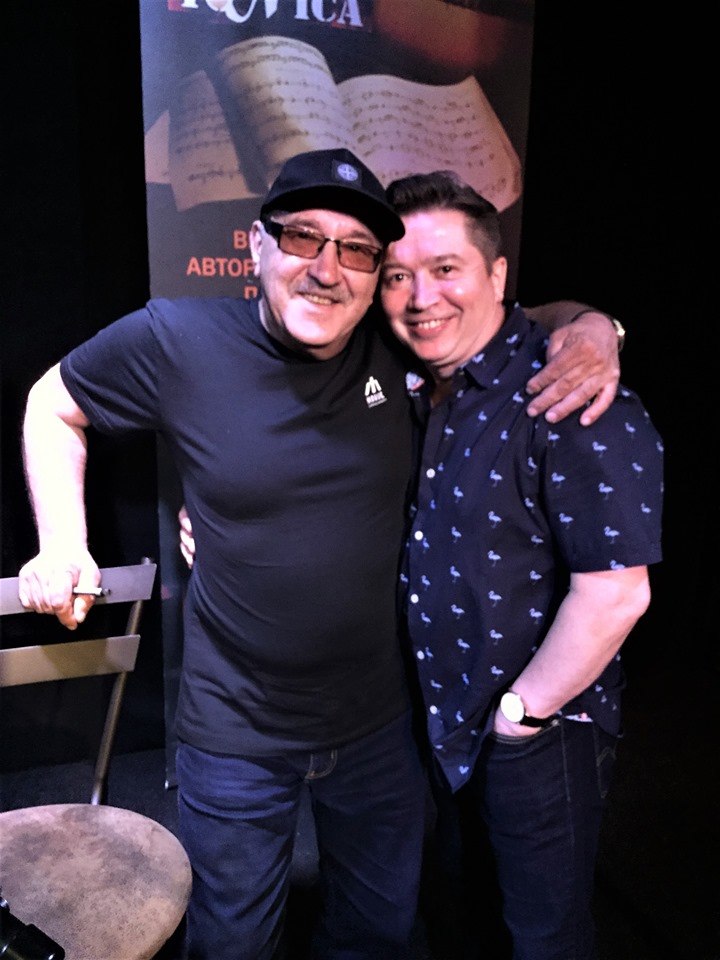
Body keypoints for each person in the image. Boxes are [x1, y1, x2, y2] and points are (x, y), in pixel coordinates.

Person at [18, 148, 621, 960]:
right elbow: (52, 403)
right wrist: (63, 540)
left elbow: (524, 318)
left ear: (374, 276)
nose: (327, 269)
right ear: (256, 245)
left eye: (357, 251)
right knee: (231, 943)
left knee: (376, 934)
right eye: (303, 237)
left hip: (380, 729)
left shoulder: (399, 340)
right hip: (236, 731)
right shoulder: (176, 339)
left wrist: (598, 328)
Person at [377, 170, 663, 959]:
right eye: (397, 276)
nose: (420, 297)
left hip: (539, 732)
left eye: (445, 269)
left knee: (543, 939)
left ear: (497, 275)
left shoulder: (570, 387)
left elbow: (617, 595)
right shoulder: (421, 385)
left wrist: (521, 717)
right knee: (460, 917)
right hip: (440, 720)